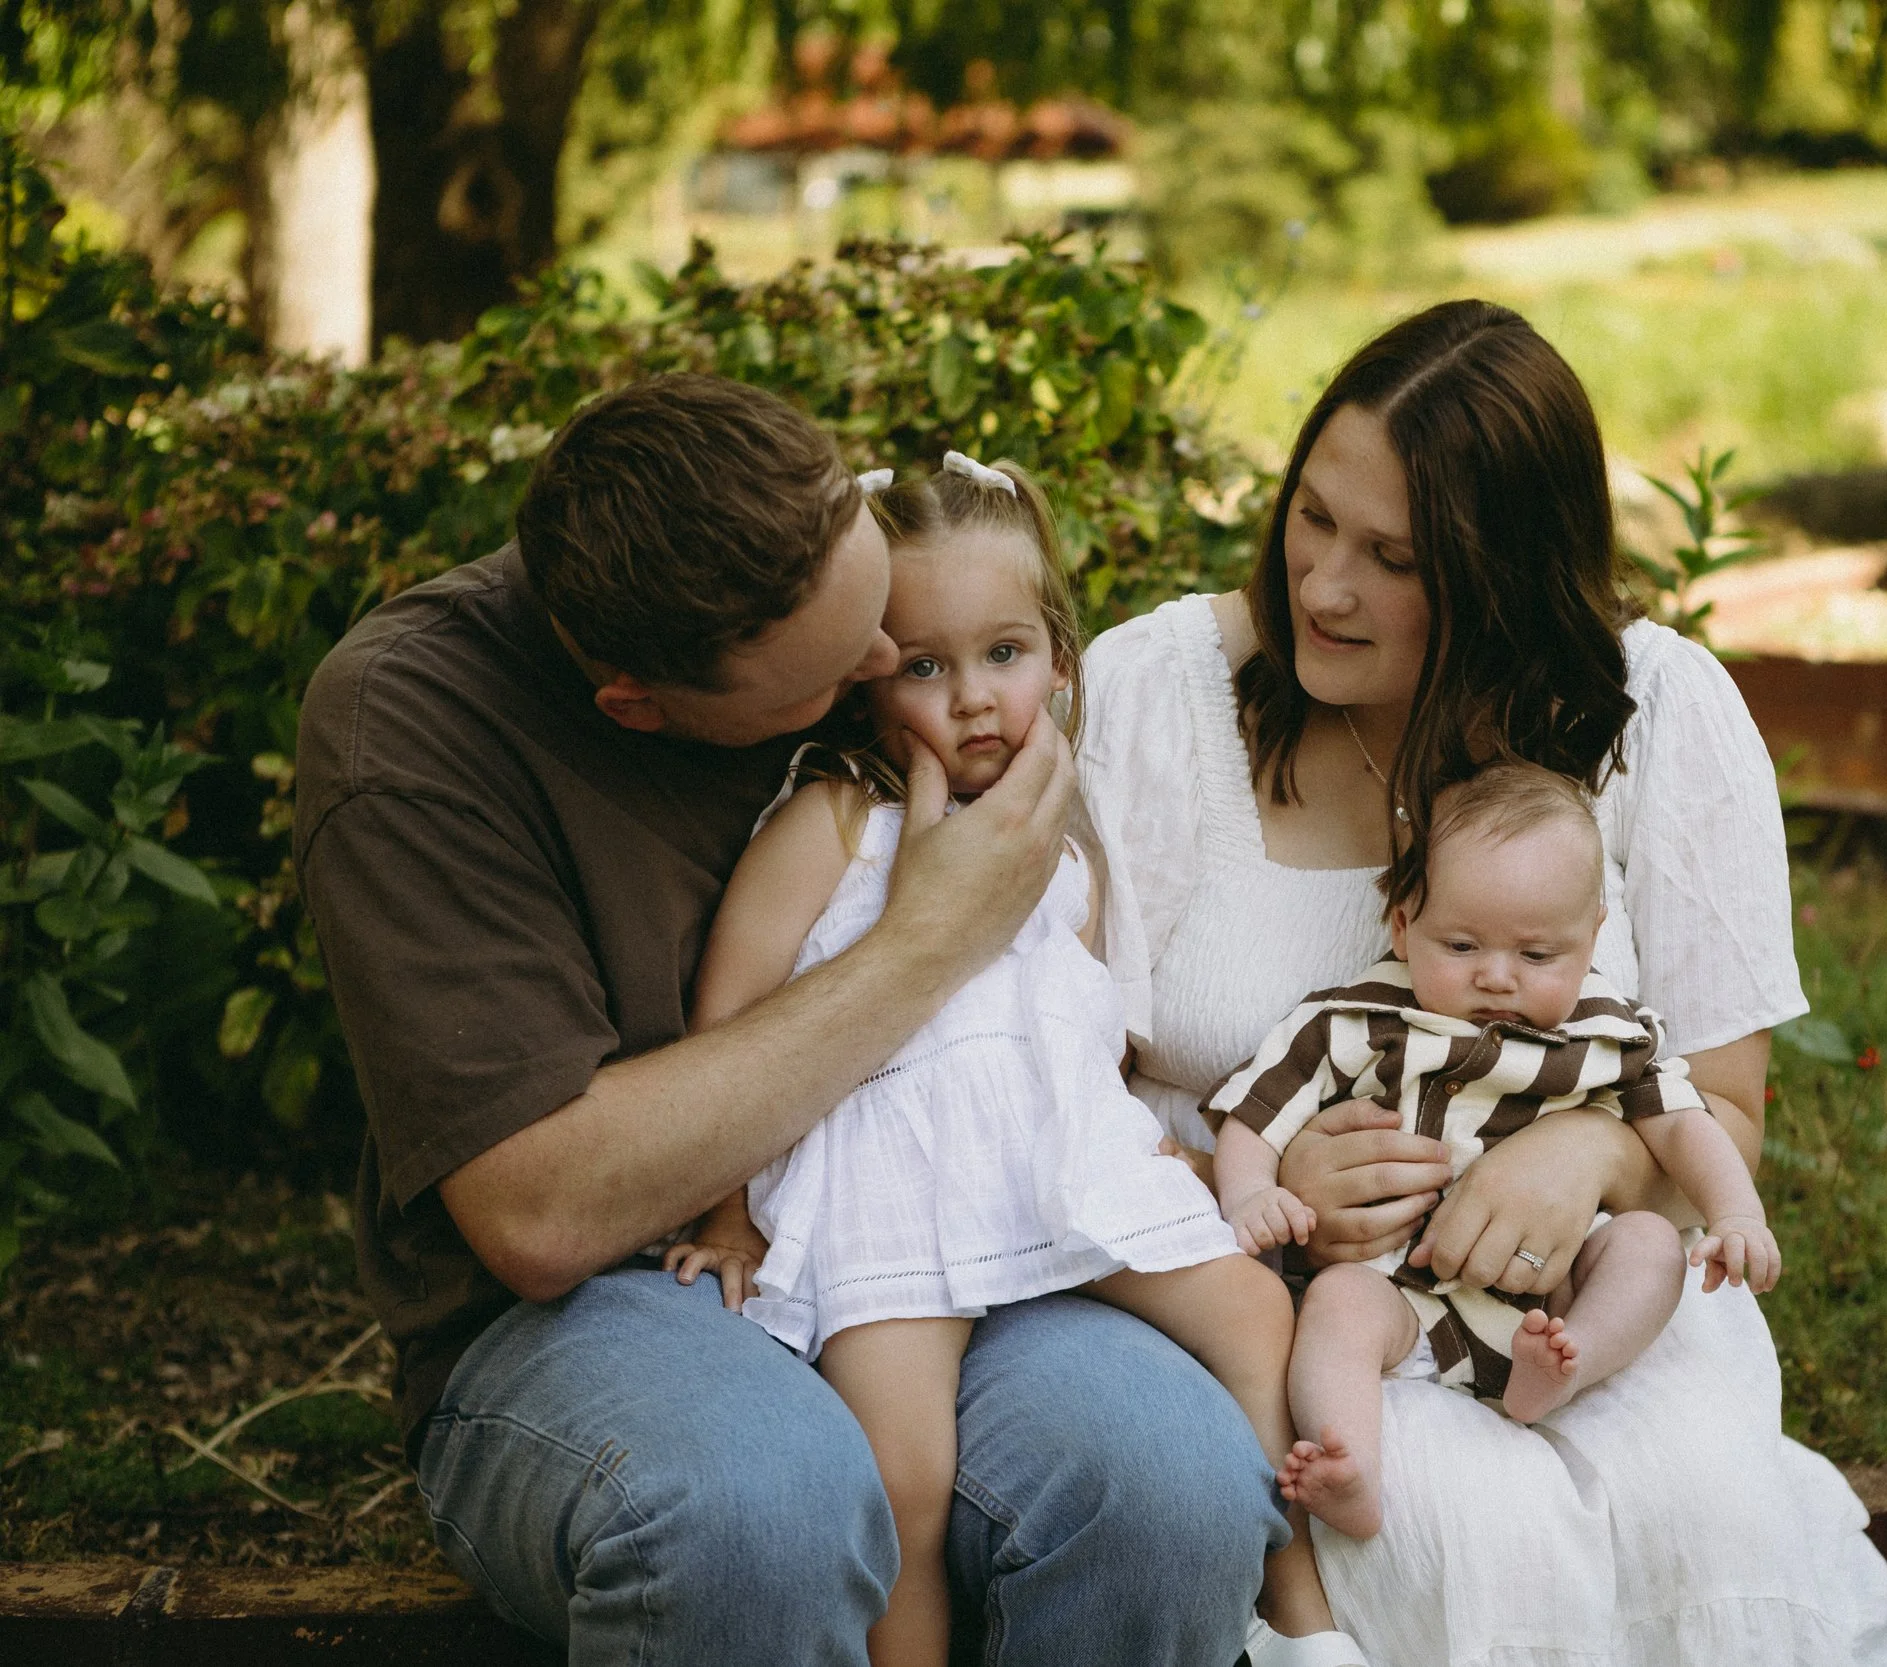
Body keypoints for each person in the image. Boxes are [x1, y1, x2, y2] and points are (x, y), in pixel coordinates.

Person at [293, 374, 1282, 1667]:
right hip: (623, 1293)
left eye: (883, 616)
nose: (894, 672)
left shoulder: (805, 566)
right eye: (847, 673)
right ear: (642, 706)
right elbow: (542, 1212)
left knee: (1171, 1486)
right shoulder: (412, 733)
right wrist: (925, 941)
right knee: (762, 1508)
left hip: (955, 1216)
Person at [1079, 302, 1887, 1666]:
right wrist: (1259, 1192)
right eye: (1313, 516)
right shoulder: (1160, 697)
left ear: (1504, 575)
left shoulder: (1659, 718)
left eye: (1392, 557)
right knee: (1456, 1540)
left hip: (1594, 1313)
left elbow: (1730, 1122)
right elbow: (1051, 1090)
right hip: (1283, 1315)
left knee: (1710, 1527)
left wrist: (1588, 1149)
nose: (1324, 585)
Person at [660, 453, 1356, 1667]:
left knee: (1252, 1307)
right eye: (925, 665)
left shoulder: (1060, 837)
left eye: (1004, 652)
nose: (974, 697)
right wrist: (726, 1208)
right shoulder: (832, 820)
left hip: (1045, 1171)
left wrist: (1147, 1147)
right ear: (866, 680)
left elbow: (1061, 1027)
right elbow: (730, 1020)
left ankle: (1290, 1617)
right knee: (906, 1471)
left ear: (1059, 657)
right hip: (893, 1186)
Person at [1205, 762, 1781, 1541]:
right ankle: (1353, 1465)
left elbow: (1685, 1124)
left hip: (1547, 1298)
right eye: (1462, 942)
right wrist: (1248, 1194)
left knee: (1648, 1247)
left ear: (1591, 940)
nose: (1497, 975)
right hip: (1397, 1294)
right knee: (1338, 1307)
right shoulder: (1360, 1023)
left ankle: (1569, 1364)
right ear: (1404, 925)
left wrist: (1737, 1211)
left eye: (1538, 954)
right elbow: (1254, 1113)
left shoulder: (1607, 1037)